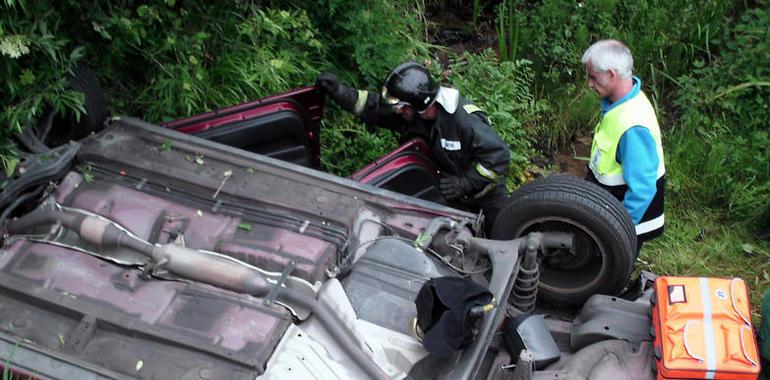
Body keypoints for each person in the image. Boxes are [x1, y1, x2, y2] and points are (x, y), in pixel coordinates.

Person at [316, 62, 510, 234]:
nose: (398, 110)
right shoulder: (412, 115)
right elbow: (373, 107)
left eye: (402, 105)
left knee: (502, 242)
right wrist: (340, 93)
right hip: (446, 196)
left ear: (419, 103)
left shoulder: (463, 122)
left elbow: (498, 156)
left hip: (486, 198)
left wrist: (465, 183)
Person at [581, 40, 665, 245]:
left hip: (624, 225)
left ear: (611, 74)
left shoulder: (633, 126)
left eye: (593, 77)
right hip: (608, 209)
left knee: (608, 276)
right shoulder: (619, 103)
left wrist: (615, 232)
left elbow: (642, 189)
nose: (589, 84)